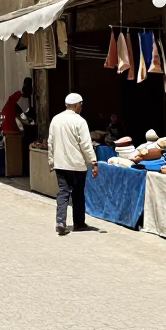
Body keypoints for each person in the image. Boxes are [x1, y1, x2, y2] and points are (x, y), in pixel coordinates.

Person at [47, 92, 99, 236]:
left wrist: (51, 161)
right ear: (77, 105)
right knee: (78, 193)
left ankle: (60, 221)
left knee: (63, 192)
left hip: (60, 164)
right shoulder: (80, 121)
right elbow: (86, 144)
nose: (81, 108)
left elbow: (50, 142)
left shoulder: (55, 119)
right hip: (77, 164)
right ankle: (79, 223)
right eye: (80, 105)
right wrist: (93, 162)